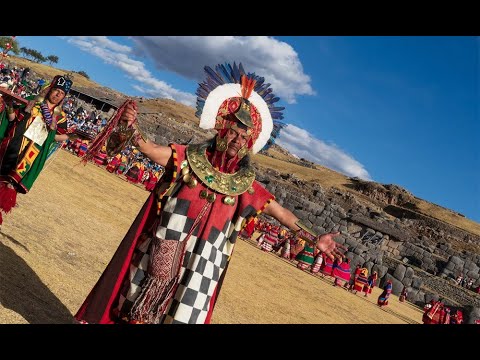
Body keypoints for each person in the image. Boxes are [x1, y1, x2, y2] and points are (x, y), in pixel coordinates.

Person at [74, 62, 345, 324]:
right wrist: (131, 128)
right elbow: (151, 151)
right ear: (222, 131)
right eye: (234, 133)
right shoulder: (188, 157)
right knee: (138, 308)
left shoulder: (246, 184)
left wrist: (313, 238)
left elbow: (281, 213)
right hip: (165, 245)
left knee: (183, 315)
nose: (237, 141)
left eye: (244, 138)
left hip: (204, 266)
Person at [0, 74, 72, 224]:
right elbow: (12, 119)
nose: (58, 95)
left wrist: (70, 137)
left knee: (9, 185)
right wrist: (9, 105)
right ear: (50, 89)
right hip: (11, 147)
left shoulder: (60, 118)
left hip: (30, 155)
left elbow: (56, 137)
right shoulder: (33, 100)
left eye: (62, 93)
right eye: (56, 90)